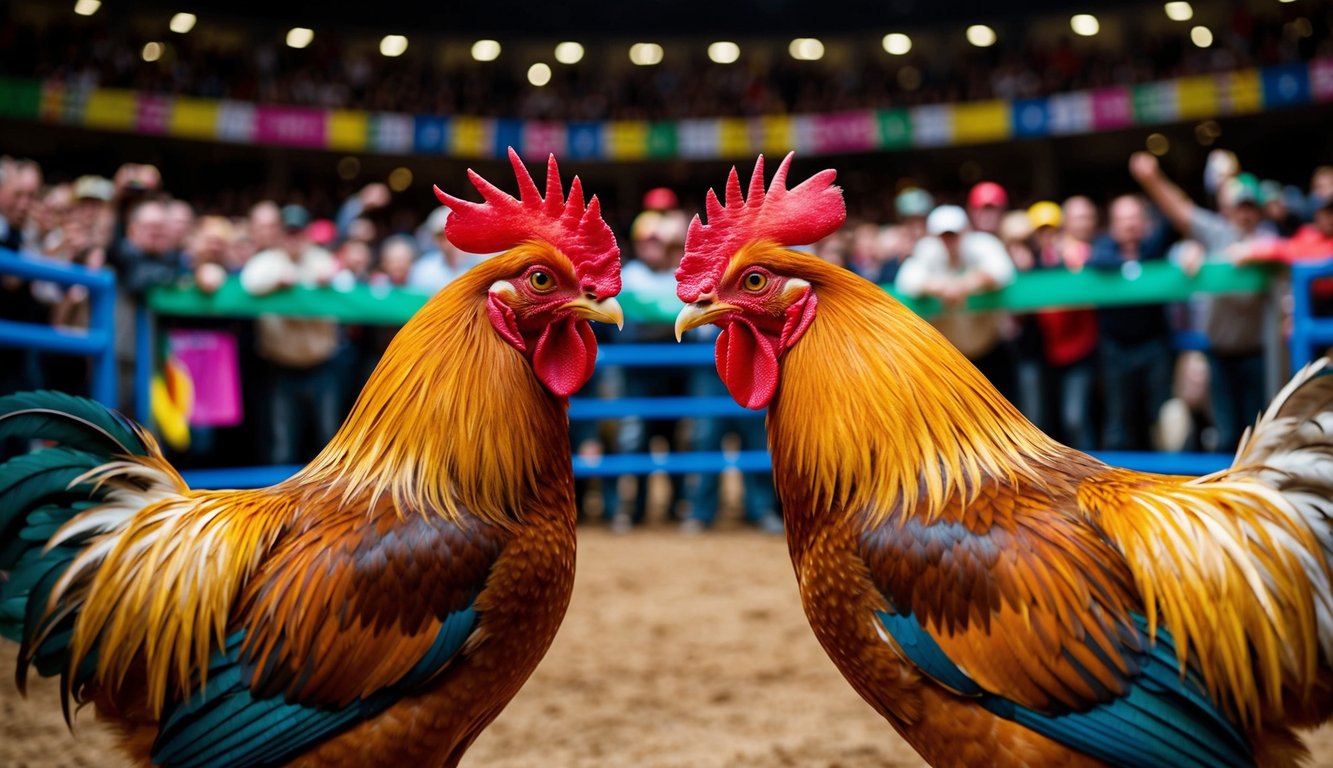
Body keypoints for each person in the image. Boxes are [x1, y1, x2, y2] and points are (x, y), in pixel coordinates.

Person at [1130, 152, 1268, 452]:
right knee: (1225, 432)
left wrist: (1255, 253)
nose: (1244, 214)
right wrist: (1151, 178)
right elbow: (1181, 211)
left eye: (1250, 207)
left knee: (1258, 433)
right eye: (1239, 207)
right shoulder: (1217, 233)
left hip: (1258, 353)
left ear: (1259, 211)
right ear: (1227, 210)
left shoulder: (1269, 239)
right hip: (1217, 353)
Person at [240, 204, 342, 465]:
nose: (294, 237)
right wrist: (278, 281)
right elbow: (249, 282)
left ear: (307, 233)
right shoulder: (266, 262)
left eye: (298, 232)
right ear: (281, 234)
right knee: (282, 443)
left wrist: (329, 280)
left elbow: (349, 286)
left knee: (328, 439)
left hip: (322, 366)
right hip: (281, 368)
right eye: (289, 232)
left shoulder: (322, 260)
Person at [895, 204, 1016, 401]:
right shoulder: (927, 250)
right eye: (944, 235)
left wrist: (964, 285)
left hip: (989, 349)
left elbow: (1002, 271)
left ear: (965, 231)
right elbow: (907, 282)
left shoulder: (983, 244)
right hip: (948, 359)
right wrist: (941, 287)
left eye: (954, 234)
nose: (949, 240)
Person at [1088, 193, 1176, 451]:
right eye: (1123, 219)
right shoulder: (1103, 248)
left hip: (1154, 344)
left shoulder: (1154, 247)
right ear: (1113, 224)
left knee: (1160, 416)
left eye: (1135, 217)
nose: (1129, 224)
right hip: (1116, 348)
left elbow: (1173, 224)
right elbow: (1094, 261)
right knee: (1118, 420)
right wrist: (1130, 266)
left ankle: (1166, 476)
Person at [409, 206, 481, 292]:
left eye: (454, 232)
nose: (448, 239)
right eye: (441, 235)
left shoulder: (481, 263)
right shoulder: (423, 270)